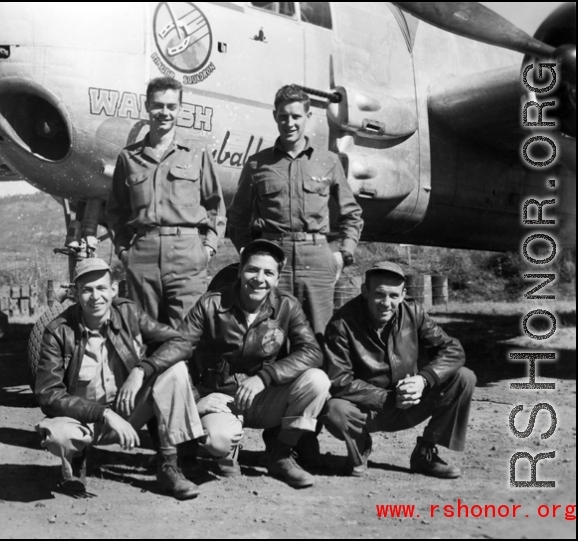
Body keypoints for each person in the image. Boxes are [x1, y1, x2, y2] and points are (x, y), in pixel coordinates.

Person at [34, 258, 205, 500]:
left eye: (102, 288)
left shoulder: (128, 313)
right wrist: (103, 414)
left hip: (128, 411)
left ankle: (169, 465)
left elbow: (180, 342)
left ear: (114, 289)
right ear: (74, 294)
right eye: (87, 290)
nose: (95, 297)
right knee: (58, 435)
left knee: (174, 370)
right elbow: (48, 393)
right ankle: (74, 465)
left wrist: (142, 369)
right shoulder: (58, 330)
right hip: (84, 421)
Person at [176, 239, 331, 488]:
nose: (259, 278)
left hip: (263, 398)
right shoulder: (210, 304)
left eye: (268, 272)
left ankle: (280, 456)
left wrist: (265, 377)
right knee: (218, 441)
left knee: (317, 380)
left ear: (277, 279)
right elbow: (177, 353)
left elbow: (312, 352)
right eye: (252, 270)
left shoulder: (287, 306)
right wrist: (196, 400)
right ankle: (227, 451)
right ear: (239, 271)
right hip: (221, 398)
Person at [227, 84, 363, 336]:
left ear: (308, 117)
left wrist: (344, 254)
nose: (289, 123)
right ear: (275, 116)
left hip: (318, 260)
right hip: (273, 260)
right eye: (283, 116)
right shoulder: (258, 164)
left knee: (320, 336)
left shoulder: (329, 161)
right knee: (269, 335)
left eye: (296, 116)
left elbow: (351, 214)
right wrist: (248, 252)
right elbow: (236, 217)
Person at [320, 261, 476, 478]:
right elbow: (339, 380)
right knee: (335, 410)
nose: (386, 303)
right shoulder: (341, 324)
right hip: (367, 409)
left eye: (394, 296)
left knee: (463, 377)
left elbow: (452, 349)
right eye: (379, 294)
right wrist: (389, 398)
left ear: (403, 295)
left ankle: (426, 452)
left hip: (410, 404)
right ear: (365, 291)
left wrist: (423, 380)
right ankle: (360, 445)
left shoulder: (413, 312)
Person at [106, 76, 226, 328]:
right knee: (144, 334)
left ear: (180, 109)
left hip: (187, 254)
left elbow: (215, 206)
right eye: (158, 106)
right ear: (147, 106)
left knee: (189, 335)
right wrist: (124, 252)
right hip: (143, 256)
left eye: (171, 107)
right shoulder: (128, 158)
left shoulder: (197, 153)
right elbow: (116, 211)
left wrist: (208, 250)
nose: (165, 113)